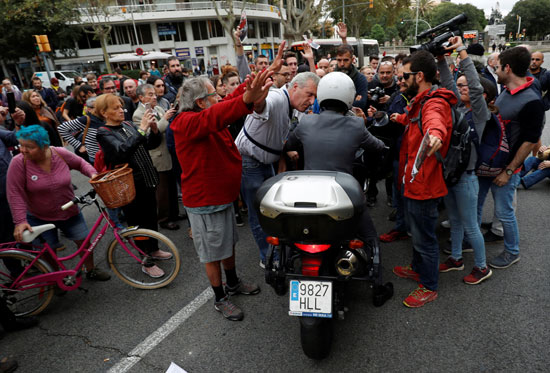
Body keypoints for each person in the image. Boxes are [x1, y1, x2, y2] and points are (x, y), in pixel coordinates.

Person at [170, 70, 274, 321]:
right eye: (214, 94)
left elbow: (226, 105)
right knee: (211, 253)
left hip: (222, 197)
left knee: (227, 244)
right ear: (200, 102)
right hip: (206, 202)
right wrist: (246, 98)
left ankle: (234, 283)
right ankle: (219, 297)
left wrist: (248, 89)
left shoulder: (204, 114)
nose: (220, 97)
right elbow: (221, 112)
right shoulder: (185, 122)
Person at [283, 71, 385, 247]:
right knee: (370, 238)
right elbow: (378, 146)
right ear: (349, 97)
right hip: (343, 193)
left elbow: (288, 144)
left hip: (309, 193)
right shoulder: (357, 125)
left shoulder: (306, 121)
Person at [236, 65, 320, 267]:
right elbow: (263, 106)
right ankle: (269, 259)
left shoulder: (292, 105)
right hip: (250, 162)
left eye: (314, 97)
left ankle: (277, 252)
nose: (311, 101)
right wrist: (258, 101)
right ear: (295, 87)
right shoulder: (277, 97)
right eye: (309, 94)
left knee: (272, 212)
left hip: (266, 162)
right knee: (259, 215)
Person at [390, 50, 456, 308]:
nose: (401, 80)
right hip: (415, 183)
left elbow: (433, 122)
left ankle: (429, 286)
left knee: (424, 239)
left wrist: (436, 134)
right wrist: (399, 118)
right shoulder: (422, 100)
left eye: (405, 76)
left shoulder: (434, 103)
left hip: (425, 187)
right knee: (417, 234)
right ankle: (417, 268)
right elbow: (417, 120)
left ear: (419, 76)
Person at [6, 125, 110, 281]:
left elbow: (81, 164)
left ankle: (91, 270)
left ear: (44, 146)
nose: (23, 150)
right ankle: (56, 279)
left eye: (29, 147)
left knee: (85, 243)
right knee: (46, 251)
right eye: (21, 145)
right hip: (38, 216)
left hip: (70, 212)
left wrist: (93, 174)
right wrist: (20, 221)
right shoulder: (19, 163)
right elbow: (15, 193)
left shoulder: (59, 153)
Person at [477, 47, 544, 269]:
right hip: (488, 163)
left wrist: (508, 171)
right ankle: (471, 240)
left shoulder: (532, 100)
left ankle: (512, 251)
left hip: (505, 169)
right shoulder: (506, 90)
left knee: (504, 213)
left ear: (507, 68)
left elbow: (529, 141)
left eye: (497, 67)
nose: (494, 70)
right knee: (475, 205)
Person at [95, 94, 172, 278]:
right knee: (137, 225)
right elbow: (122, 152)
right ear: (104, 112)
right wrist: (143, 129)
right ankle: (145, 261)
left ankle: (153, 250)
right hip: (128, 185)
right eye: (115, 108)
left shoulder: (128, 125)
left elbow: (150, 145)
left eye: (121, 107)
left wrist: (153, 130)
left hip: (147, 179)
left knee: (151, 218)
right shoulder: (103, 132)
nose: (121, 110)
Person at [437, 37, 492, 284]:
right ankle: (457, 258)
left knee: (471, 225)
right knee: (456, 221)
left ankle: (481, 267)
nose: (462, 88)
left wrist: (461, 51)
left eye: (466, 86)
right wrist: (440, 60)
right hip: (450, 174)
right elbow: (448, 84)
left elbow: (476, 86)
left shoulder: (480, 113)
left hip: (467, 177)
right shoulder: (457, 109)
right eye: (460, 86)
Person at [132, 84, 179, 230]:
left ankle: (174, 214)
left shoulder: (158, 108)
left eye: (154, 94)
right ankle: (164, 219)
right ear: (141, 98)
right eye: (150, 94)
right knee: (162, 190)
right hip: (156, 156)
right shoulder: (138, 114)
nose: (154, 97)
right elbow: (153, 132)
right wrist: (165, 118)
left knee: (171, 187)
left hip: (167, 152)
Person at [379, 62, 411, 244]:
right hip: (398, 153)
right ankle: (401, 228)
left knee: (412, 197)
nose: (400, 82)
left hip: (416, 157)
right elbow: (387, 120)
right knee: (398, 192)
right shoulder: (397, 98)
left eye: (403, 78)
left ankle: (413, 229)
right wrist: (372, 117)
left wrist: (403, 120)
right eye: (399, 78)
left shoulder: (426, 100)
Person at [335, 44, 367, 110]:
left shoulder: (360, 78)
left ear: (352, 60)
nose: (342, 64)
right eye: (339, 60)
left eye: (346, 60)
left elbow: (361, 103)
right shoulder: (331, 77)